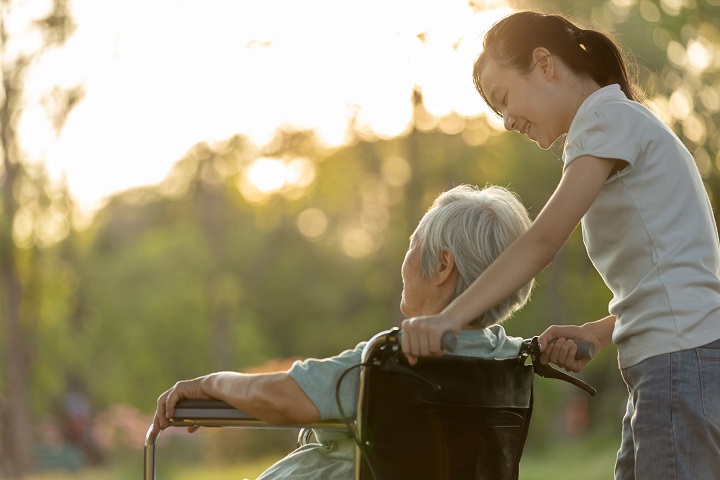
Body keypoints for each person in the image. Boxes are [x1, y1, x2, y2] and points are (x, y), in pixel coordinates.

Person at [399, 10, 720, 480]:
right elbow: (677, 277)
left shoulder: (604, 119)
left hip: (677, 369)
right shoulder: (619, 122)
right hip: (674, 366)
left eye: (504, 98)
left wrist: (449, 319)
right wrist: (598, 331)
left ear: (544, 62)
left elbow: (544, 240)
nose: (507, 121)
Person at [152, 184, 535, 479]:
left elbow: (284, 398)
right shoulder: (507, 359)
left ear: (441, 266)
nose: (405, 261)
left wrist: (207, 385)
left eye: (412, 246)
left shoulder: (398, 364)